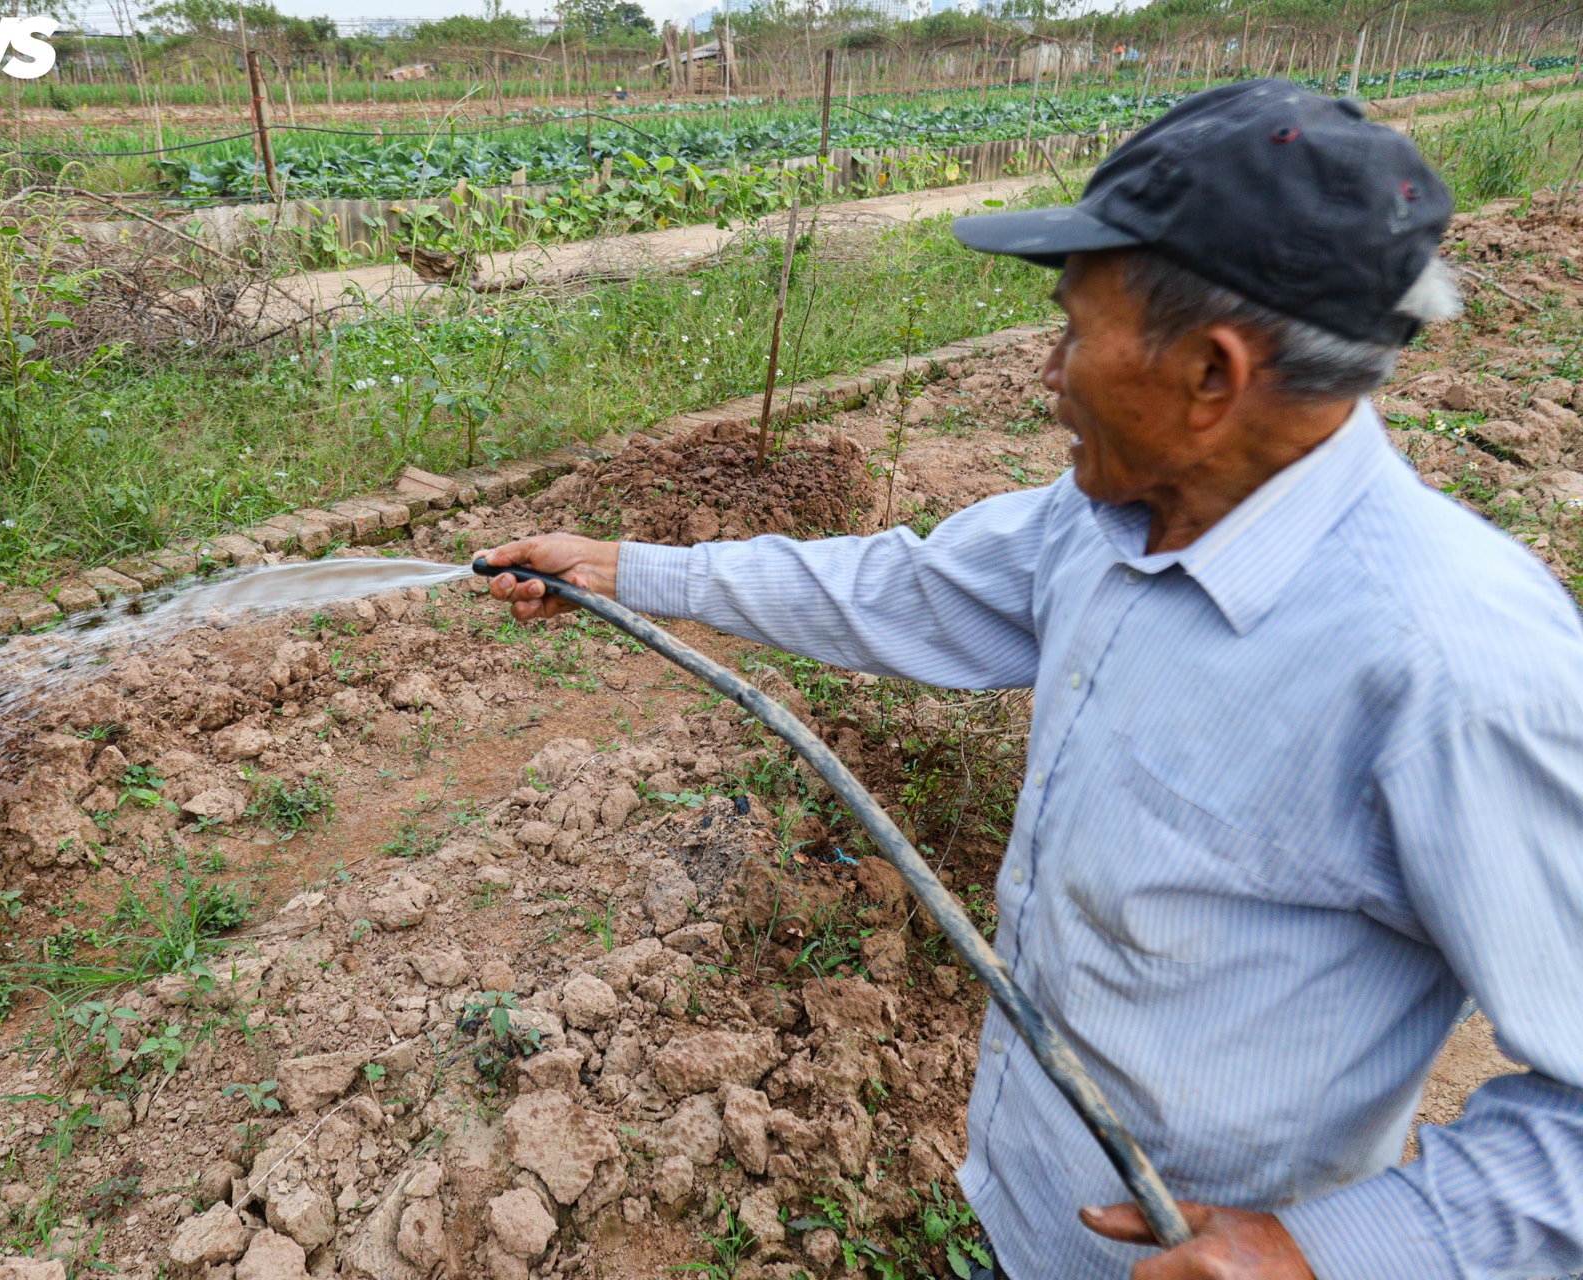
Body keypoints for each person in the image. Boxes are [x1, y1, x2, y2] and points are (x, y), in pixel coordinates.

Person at [481, 81, 1583, 1280]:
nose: (1047, 372)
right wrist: (633, 568)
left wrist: (1326, 1254)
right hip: (1032, 1208)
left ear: (1213, 374)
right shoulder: (1112, 519)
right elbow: (899, 588)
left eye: (1073, 330)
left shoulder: (1457, 668)